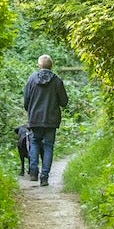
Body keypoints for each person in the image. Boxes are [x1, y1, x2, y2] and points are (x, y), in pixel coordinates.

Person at [22, 54, 69, 186]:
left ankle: (33, 172)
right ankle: (44, 177)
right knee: (48, 146)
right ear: (51, 66)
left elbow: (26, 100)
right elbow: (64, 102)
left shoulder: (31, 79)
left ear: (39, 65)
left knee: (35, 142)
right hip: (51, 120)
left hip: (35, 118)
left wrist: (30, 111)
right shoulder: (57, 81)